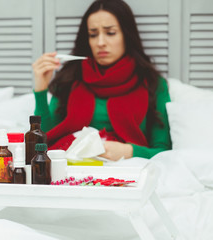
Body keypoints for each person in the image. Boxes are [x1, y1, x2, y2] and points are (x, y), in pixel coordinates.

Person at [32, 0, 171, 160]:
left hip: (127, 172)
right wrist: (41, 90)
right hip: (73, 172)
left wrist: (129, 152)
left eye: (110, 33)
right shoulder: (70, 78)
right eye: (93, 34)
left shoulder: (153, 83)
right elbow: (44, 143)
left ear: (127, 35)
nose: (100, 43)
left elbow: (164, 152)